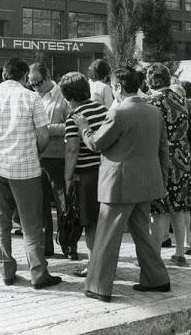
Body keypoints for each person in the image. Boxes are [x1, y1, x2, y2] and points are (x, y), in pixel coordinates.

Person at [73, 67, 170, 303]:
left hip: (119, 184)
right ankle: (157, 278)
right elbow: (163, 149)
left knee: (107, 237)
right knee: (142, 233)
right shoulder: (154, 112)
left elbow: (97, 144)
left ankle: (99, 287)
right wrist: (162, 181)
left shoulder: (119, 113)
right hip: (146, 183)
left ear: (117, 87)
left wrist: (83, 126)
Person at [0, 58, 61, 289]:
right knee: (32, 224)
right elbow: (43, 134)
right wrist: (36, 153)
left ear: (3, 76)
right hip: (26, 169)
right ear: (23, 77)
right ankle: (38, 273)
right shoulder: (32, 98)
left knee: (2, 223)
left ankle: (6, 271)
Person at [60, 72, 108, 277]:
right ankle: (104, 262)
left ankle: (94, 266)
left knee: (90, 223)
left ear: (68, 97)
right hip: (105, 172)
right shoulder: (103, 110)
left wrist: (67, 178)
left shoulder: (75, 117)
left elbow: (72, 150)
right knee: (103, 221)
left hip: (86, 177)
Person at [146, 64, 191, 267]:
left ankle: (154, 256)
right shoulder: (180, 98)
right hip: (182, 155)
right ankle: (180, 252)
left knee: (160, 209)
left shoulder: (154, 101)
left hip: (164, 156)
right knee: (179, 207)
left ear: (150, 81)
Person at [28, 62, 72, 257]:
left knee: (64, 203)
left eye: (37, 83)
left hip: (58, 158)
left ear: (47, 78)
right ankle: (46, 246)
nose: (34, 87)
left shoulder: (63, 97)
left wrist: (47, 129)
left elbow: (72, 125)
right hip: (38, 158)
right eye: (31, 84)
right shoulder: (31, 97)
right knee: (40, 205)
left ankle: (68, 243)